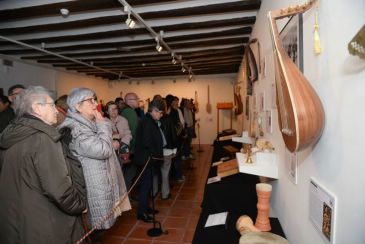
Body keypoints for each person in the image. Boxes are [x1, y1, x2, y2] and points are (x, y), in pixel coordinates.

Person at [0, 86, 87, 243]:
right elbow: (59, 190)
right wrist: (80, 204)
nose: (57, 110)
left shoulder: (11, 132)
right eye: (52, 105)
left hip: (17, 218)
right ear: (37, 108)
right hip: (45, 221)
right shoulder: (43, 138)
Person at [59, 88, 131, 234]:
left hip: (99, 182)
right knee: (92, 230)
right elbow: (102, 150)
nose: (95, 104)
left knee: (97, 229)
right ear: (78, 107)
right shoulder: (76, 129)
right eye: (90, 100)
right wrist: (102, 122)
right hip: (92, 186)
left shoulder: (86, 123)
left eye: (94, 99)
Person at [134, 99, 165, 222]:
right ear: (154, 110)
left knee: (148, 185)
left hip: (149, 159)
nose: (161, 116)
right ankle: (142, 212)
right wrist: (154, 155)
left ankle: (146, 208)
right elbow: (147, 142)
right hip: (146, 159)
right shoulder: (147, 122)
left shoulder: (150, 120)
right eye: (160, 113)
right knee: (145, 186)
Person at [121, 92, 140, 189]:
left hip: (125, 147)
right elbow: (134, 132)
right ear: (129, 101)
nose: (138, 100)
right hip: (131, 148)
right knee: (130, 174)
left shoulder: (125, 111)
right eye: (136, 98)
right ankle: (127, 197)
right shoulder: (130, 112)